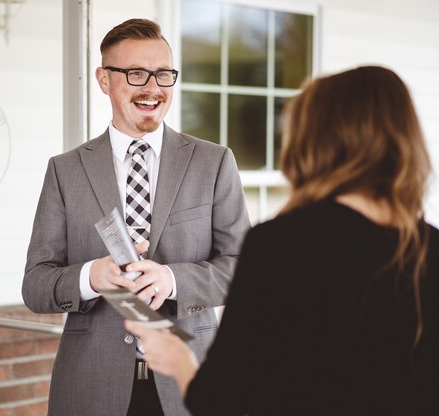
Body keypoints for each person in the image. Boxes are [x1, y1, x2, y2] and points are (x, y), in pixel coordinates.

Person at [127, 65, 439, 415]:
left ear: (315, 139)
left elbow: (221, 399)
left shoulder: (281, 245)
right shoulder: (431, 247)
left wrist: (181, 360)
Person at [22, 18, 251, 416]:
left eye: (163, 74)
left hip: (192, 384)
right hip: (91, 388)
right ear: (104, 79)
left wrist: (174, 278)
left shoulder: (214, 162)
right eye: (135, 73)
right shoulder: (65, 170)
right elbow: (35, 285)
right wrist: (90, 277)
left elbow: (244, 272)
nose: (152, 88)